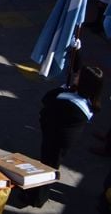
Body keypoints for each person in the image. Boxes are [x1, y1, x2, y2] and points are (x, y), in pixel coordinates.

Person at [22, 65, 104, 207]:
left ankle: (37, 198)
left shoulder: (71, 103)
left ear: (84, 82)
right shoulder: (88, 100)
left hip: (56, 138)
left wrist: (63, 88)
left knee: (47, 166)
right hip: (63, 139)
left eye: (79, 76)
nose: (75, 76)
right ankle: (37, 193)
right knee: (51, 164)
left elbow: (47, 99)